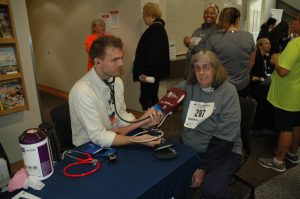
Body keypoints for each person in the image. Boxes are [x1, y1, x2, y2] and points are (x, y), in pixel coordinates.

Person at [69, 36, 162, 148]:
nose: (121, 63)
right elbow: (98, 136)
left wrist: (142, 124)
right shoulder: (82, 92)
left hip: (113, 137)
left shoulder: (116, 81)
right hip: (89, 148)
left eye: (121, 58)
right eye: (115, 60)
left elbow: (121, 115)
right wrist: (137, 139)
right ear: (97, 62)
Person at [176, 50, 242, 198]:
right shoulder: (188, 85)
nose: (201, 72)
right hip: (191, 145)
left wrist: (203, 168)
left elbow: (226, 138)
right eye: (197, 67)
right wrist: (155, 113)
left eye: (206, 67)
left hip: (224, 149)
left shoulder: (228, 91)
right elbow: (166, 102)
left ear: (215, 68)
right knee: (173, 180)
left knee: (212, 190)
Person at [258, 15, 300, 172]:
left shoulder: (295, 44)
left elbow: (282, 71)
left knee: (286, 128)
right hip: (298, 94)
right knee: (296, 124)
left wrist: (276, 60)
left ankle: (278, 161)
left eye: (296, 20)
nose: (293, 22)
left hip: (288, 95)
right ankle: (293, 153)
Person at [206, 7, 256, 97]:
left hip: (221, 84)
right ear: (238, 19)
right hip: (243, 84)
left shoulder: (213, 38)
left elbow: (209, 64)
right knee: (241, 108)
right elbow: (251, 62)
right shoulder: (248, 36)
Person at [132, 2, 170, 111]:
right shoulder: (157, 29)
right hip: (151, 73)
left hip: (149, 74)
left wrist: (146, 73)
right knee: (151, 98)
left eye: (144, 16)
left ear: (149, 15)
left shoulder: (155, 30)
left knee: (146, 99)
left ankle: (151, 122)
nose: (143, 19)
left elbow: (154, 55)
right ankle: (153, 121)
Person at [183, 3, 219, 77]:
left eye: (212, 13)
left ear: (217, 16)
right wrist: (188, 44)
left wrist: (190, 44)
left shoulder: (216, 32)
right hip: (189, 72)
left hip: (202, 74)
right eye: (206, 12)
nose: (208, 15)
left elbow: (206, 52)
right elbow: (193, 49)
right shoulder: (197, 31)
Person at [250, 38, 275, 131]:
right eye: (266, 43)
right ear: (260, 45)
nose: (269, 45)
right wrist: (253, 77)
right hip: (255, 86)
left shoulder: (265, 57)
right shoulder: (256, 56)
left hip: (261, 83)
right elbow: (249, 72)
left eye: (269, 43)